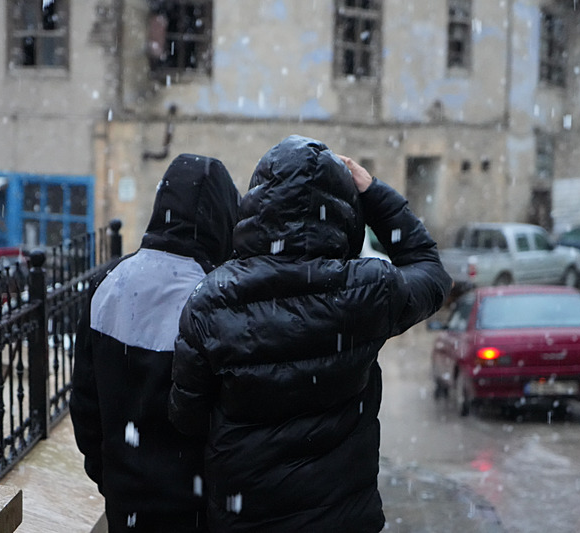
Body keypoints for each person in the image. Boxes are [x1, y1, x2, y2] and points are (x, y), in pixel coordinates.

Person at [168, 135, 452, 532]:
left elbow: (187, 415)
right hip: (341, 518)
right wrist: (373, 193)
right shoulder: (370, 291)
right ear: (345, 212)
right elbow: (430, 269)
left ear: (256, 207)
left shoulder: (212, 301)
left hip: (247, 516)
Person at [70, 153, 241, 532]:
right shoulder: (216, 300)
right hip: (195, 515)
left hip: (125, 505)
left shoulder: (108, 285)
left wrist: (112, 480)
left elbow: (85, 405)